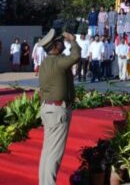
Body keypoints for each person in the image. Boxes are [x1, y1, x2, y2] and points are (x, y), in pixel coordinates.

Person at [38, 29, 81, 185]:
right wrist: (73, 40)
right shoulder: (58, 62)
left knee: (48, 153)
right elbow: (76, 56)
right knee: (54, 155)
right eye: (60, 41)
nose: (63, 43)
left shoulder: (46, 62)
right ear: (54, 46)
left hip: (48, 109)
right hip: (57, 111)